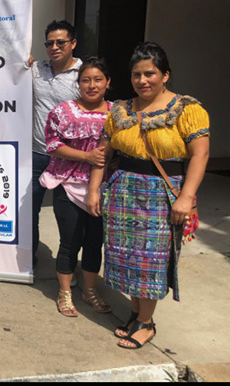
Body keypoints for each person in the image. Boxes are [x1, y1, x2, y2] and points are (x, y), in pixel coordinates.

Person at [86, 42, 210, 349]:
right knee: (124, 257)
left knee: (150, 261)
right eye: (137, 75)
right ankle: (135, 313)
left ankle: (146, 322)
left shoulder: (187, 110)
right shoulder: (120, 111)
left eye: (150, 73)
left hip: (160, 195)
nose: (143, 80)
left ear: (165, 75)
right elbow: (103, 153)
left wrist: (186, 197)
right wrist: (93, 190)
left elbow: (200, 154)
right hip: (122, 192)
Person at [39, 57, 112, 317]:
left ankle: (89, 290)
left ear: (107, 82)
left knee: (94, 242)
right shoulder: (62, 111)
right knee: (69, 242)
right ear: (78, 83)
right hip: (67, 185)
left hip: (103, 189)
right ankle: (65, 292)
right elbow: (52, 144)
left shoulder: (117, 114)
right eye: (85, 80)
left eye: (98, 79)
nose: (91, 85)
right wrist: (86, 157)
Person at [27, 20, 83, 272]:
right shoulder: (37, 69)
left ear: (73, 44)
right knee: (29, 211)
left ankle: (67, 266)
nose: (54, 47)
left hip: (69, 158)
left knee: (69, 216)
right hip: (38, 153)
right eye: (49, 43)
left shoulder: (83, 75)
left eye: (61, 42)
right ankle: (30, 258)